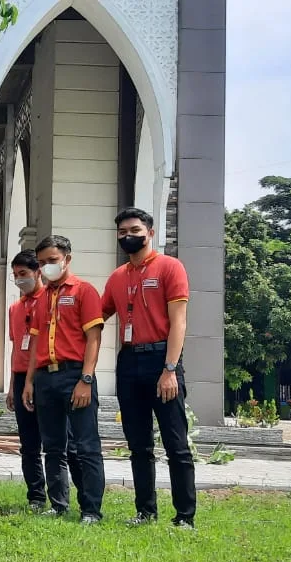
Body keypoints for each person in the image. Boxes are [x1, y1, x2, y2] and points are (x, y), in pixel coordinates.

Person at [101, 207, 195, 528]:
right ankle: (145, 512)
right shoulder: (117, 277)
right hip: (129, 362)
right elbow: (97, 316)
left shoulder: (170, 267)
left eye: (135, 231)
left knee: (175, 443)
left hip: (161, 360)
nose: (128, 236)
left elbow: (179, 322)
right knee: (138, 445)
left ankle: (184, 516)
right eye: (122, 232)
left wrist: (170, 369)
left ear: (150, 233)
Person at [22, 235, 106, 522]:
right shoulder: (41, 298)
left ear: (67, 259)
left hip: (75, 375)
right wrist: (30, 382)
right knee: (53, 447)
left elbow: (94, 338)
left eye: (52, 260)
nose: (46, 266)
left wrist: (86, 379)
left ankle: (91, 510)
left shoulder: (84, 291)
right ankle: (58, 505)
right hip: (46, 377)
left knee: (86, 446)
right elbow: (35, 343)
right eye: (41, 262)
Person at [4, 250, 47, 511]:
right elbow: (15, 347)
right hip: (21, 378)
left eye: (24, 274)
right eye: (15, 275)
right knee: (28, 442)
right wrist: (12, 385)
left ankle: (62, 495)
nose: (20, 279)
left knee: (54, 440)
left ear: (37, 272)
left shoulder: (49, 300)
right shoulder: (15, 308)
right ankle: (36, 496)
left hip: (45, 375)